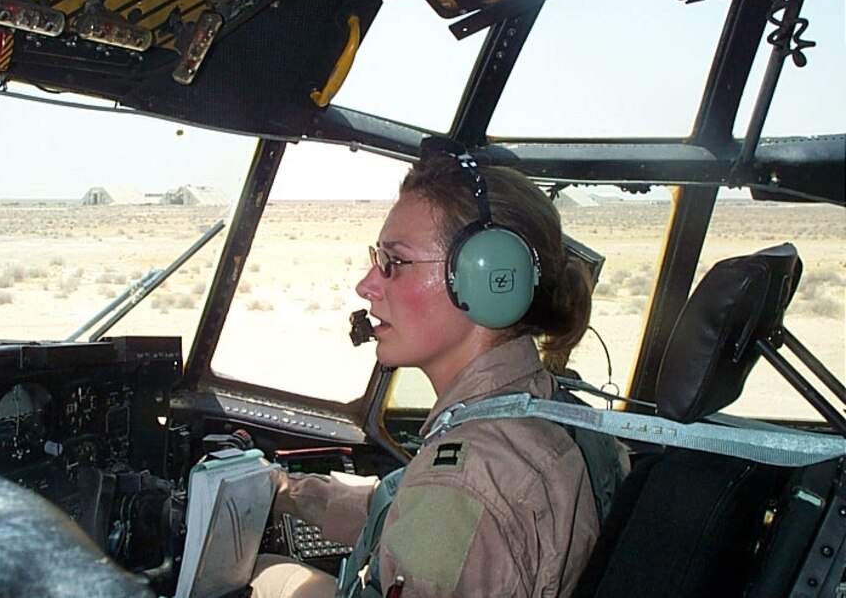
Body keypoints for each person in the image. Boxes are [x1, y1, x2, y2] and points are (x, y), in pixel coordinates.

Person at [251, 144, 612, 598]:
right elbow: (401, 508)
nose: (366, 285)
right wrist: (285, 490)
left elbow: (443, 512)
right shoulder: (557, 412)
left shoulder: (461, 481)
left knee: (258, 577)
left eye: (393, 262)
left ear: (486, 280)